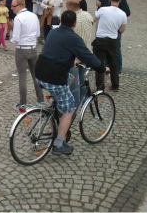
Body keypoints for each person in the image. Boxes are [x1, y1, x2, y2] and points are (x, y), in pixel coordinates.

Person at [35, 10, 105, 155]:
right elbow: (87, 56)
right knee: (70, 108)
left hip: (40, 73)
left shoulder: (53, 32)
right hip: (54, 77)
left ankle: (56, 110)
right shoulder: (74, 38)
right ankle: (59, 145)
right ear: (75, 23)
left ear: (60, 21)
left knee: (71, 78)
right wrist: (102, 68)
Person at [10, 0, 44, 111]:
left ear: (20, 6)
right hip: (33, 48)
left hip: (21, 49)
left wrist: (11, 40)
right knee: (35, 75)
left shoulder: (18, 18)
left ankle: (23, 103)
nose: (12, 8)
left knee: (22, 76)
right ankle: (41, 100)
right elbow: (38, 33)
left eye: (13, 6)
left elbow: (15, 38)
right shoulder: (34, 16)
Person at [93, 0, 127, 92]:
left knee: (99, 63)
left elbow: (93, 19)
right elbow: (122, 30)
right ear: (120, 0)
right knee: (113, 62)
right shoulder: (123, 14)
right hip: (112, 40)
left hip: (100, 39)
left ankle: (100, 87)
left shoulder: (103, 10)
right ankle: (115, 85)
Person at [66, 0, 95, 107]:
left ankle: (75, 104)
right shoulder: (88, 15)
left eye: (67, 5)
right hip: (86, 53)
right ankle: (84, 101)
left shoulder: (71, 19)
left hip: (74, 56)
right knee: (83, 79)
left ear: (71, 6)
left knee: (74, 82)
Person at [98, 0, 131, 74]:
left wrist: (116, 14)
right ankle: (107, 67)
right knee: (105, 50)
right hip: (105, 28)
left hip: (116, 28)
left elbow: (127, 12)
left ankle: (118, 69)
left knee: (116, 50)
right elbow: (100, 10)